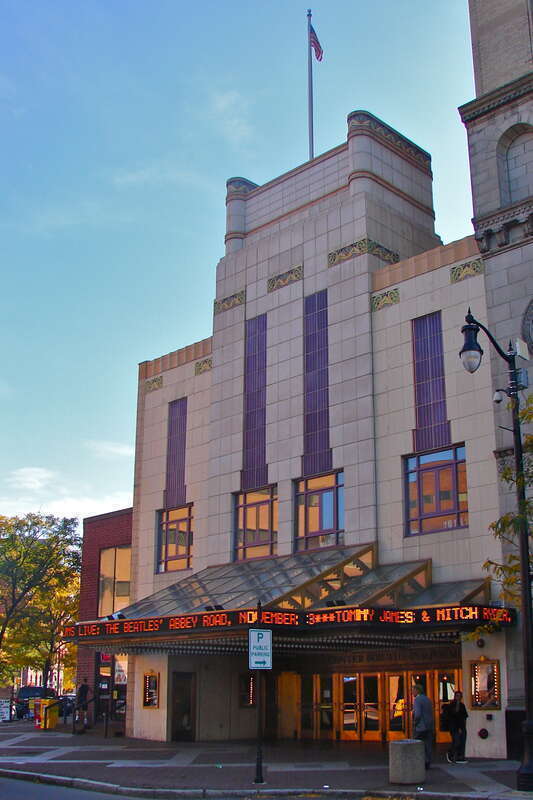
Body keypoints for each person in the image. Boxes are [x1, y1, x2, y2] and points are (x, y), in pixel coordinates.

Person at [413, 683, 434, 769]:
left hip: (421, 726)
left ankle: (419, 762)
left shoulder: (417, 700)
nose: (412, 692)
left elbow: (417, 714)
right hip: (429, 725)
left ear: (417, 690)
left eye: (413, 690)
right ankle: (427, 761)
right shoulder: (428, 699)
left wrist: (415, 722)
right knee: (428, 745)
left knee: (417, 745)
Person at [445, 690, 468, 764]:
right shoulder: (451, 705)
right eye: (457, 696)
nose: (458, 698)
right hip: (454, 727)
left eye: (460, 696)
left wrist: (463, 727)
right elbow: (451, 715)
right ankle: (450, 754)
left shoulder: (462, 705)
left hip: (461, 726)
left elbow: (464, 716)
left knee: (462, 741)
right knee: (456, 741)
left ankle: (460, 756)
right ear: (455, 697)